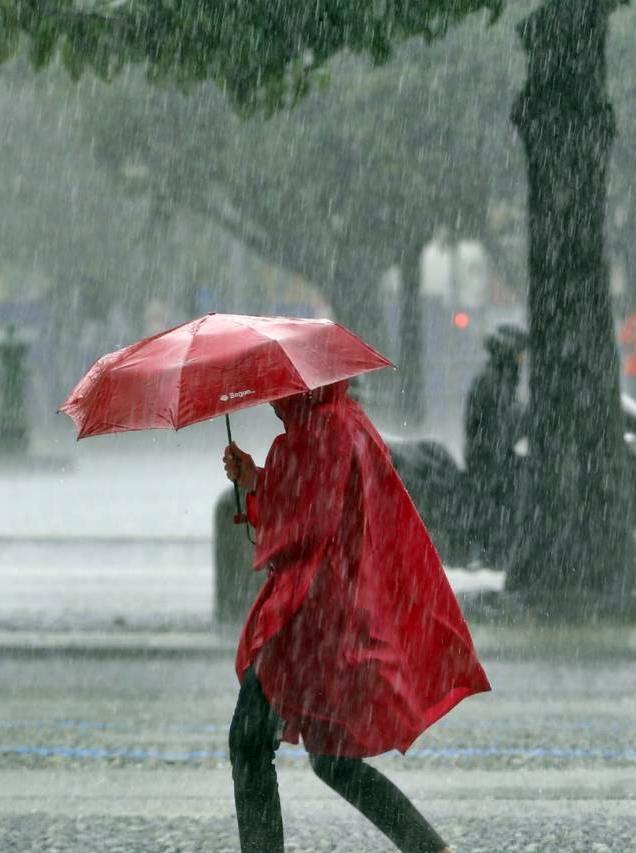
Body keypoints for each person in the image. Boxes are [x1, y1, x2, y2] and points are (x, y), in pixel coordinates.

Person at [222, 380, 490, 853]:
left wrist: (263, 486)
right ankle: (432, 849)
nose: (268, 395)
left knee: (249, 741)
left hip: (308, 620)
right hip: (339, 613)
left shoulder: (315, 432)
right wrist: (259, 481)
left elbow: (303, 527)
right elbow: (320, 509)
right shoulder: (346, 421)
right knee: (333, 758)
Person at [462, 324, 528, 563]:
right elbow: (499, 421)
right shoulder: (494, 380)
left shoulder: (499, 377)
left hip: (491, 453)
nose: (523, 359)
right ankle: (487, 553)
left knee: (493, 501)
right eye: (520, 353)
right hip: (488, 455)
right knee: (493, 502)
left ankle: (491, 550)